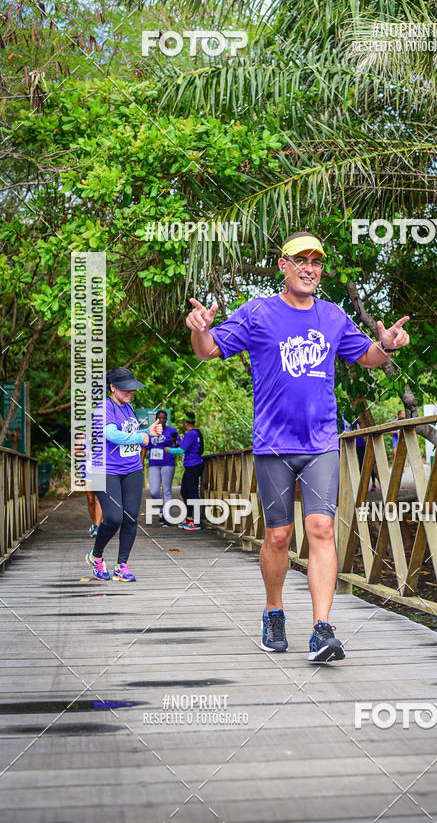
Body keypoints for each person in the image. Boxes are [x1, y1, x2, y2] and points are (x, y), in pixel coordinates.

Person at [185, 230, 410, 662]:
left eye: (317, 262)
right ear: (283, 266)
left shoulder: (332, 316)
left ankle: (322, 629)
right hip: (273, 445)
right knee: (278, 534)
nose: (310, 268)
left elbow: (365, 356)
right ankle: (274, 611)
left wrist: (385, 345)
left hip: (323, 442)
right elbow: (208, 350)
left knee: (322, 529)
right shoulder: (258, 313)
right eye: (300, 260)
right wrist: (201, 330)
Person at [85, 367, 162, 582]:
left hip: (132, 468)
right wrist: (141, 437)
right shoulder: (104, 407)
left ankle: (122, 565)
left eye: (132, 389)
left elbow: (134, 434)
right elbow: (112, 434)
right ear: (112, 387)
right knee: (113, 517)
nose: (130, 392)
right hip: (105, 470)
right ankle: (96, 556)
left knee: (130, 517)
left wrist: (149, 433)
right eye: (125, 389)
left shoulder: (129, 408)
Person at [140, 410, 178, 526]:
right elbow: (145, 448)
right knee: (154, 491)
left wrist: (175, 442)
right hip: (154, 464)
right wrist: (141, 461)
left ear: (166, 419)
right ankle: (162, 510)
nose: (162, 420)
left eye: (164, 418)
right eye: (159, 418)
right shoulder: (151, 431)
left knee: (167, 490)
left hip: (168, 463)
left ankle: (167, 517)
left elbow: (178, 445)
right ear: (156, 419)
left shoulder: (172, 431)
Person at [174, 413, 204, 531]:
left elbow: (181, 450)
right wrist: (182, 440)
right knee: (185, 491)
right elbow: (188, 447)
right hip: (192, 465)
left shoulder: (191, 433)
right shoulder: (195, 433)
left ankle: (195, 521)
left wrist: (167, 449)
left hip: (193, 465)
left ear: (185, 422)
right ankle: (189, 517)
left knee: (192, 493)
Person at [74, 431, 102, 536]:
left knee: (98, 499)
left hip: (100, 470)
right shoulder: (82, 435)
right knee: (90, 500)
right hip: (87, 471)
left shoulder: (103, 434)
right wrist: (85, 452)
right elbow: (76, 452)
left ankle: (98, 527)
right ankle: (95, 524)